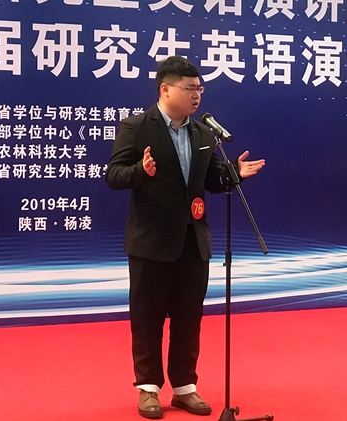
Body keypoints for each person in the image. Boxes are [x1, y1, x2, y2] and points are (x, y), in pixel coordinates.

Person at [105, 56, 265, 419]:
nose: (197, 96)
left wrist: (233, 174)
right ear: (165, 89)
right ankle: (148, 388)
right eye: (190, 88)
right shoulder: (136, 127)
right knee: (147, 318)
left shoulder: (204, 133)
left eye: (200, 89)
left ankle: (184, 388)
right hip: (151, 242)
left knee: (188, 319)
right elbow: (114, 175)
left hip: (194, 241)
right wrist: (140, 171)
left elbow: (211, 181)